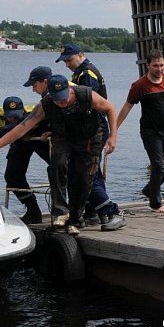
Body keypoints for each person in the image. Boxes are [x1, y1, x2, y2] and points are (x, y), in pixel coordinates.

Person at [0, 75, 118, 236]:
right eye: (58, 100)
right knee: (57, 165)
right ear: (50, 94)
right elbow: (22, 128)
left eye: (64, 98)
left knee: (83, 179)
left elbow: (110, 109)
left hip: (89, 138)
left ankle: (76, 217)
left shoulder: (85, 95)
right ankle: (60, 213)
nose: (62, 103)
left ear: (69, 90)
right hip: (64, 137)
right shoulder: (46, 104)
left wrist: (113, 137)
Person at [56, 44, 125, 231]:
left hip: (94, 129)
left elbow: (87, 101)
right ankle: (94, 212)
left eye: (69, 60)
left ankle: (111, 211)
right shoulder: (80, 73)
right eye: (64, 61)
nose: (67, 64)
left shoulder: (87, 75)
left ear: (81, 55)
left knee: (89, 174)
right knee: (86, 174)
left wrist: (112, 136)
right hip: (88, 129)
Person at [117, 50, 164, 213]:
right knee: (158, 166)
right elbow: (127, 107)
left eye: (162, 65)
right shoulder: (139, 85)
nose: (160, 69)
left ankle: (149, 189)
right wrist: (114, 130)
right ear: (148, 65)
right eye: (156, 66)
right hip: (149, 131)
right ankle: (155, 203)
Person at [0, 96, 49, 224]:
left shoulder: (32, 112)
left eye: (15, 116)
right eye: (9, 116)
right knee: (12, 177)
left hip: (40, 140)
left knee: (61, 171)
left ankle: (78, 208)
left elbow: (17, 125)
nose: (12, 119)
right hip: (19, 143)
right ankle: (33, 211)